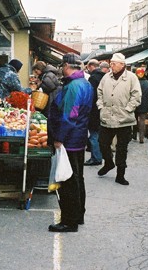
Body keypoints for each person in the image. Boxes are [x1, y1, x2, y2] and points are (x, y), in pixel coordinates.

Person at [47, 53, 94, 232]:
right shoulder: (85, 83)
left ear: (67, 66)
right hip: (78, 137)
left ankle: (69, 221)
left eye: (62, 66)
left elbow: (70, 115)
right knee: (77, 178)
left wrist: (59, 138)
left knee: (68, 181)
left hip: (70, 139)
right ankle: (78, 215)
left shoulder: (73, 86)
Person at [97, 53, 142, 185]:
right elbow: (99, 92)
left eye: (114, 63)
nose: (111, 65)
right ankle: (108, 163)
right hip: (107, 117)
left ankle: (120, 175)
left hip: (124, 119)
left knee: (122, 148)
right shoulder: (106, 77)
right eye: (111, 63)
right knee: (102, 143)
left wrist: (128, 109)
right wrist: (101, 106)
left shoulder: (131, 77)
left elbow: (136, 95)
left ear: (122, 65)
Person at [85, 60, 109, 166]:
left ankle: (96, 158)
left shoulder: (93, 78)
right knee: (99, 134)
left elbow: (90, 96)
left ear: (91, 66)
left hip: (94, 110)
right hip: (103, 109)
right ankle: (100, 155)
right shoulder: (105, 77)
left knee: (94, 135)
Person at [134, 67, 148, 144]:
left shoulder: (134, 82)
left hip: (134, 104)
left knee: (134, 120)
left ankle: (134, 135)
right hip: (144, 104)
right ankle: (141, 138)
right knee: (142, 121)